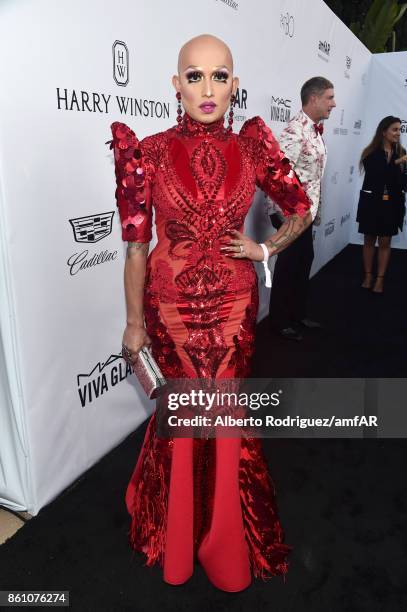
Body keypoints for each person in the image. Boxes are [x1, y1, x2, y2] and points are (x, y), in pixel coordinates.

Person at [108, 34, 312, 592]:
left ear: (234, 84)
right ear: (175, 85)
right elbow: (134, 249)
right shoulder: (143, 151)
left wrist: (265, 249)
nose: (207, 88)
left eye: (219, 76)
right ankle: (174, 536)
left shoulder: (252, 147)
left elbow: (301, 206)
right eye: (193, 76)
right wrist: (133, 324)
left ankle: (222, 541)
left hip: (233, 307)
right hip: (170, 308)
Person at [267, 77, 336, 341]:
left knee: (303, 262)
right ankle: (280, 322)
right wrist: (281, 215)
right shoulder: (295, 130)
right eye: (329, 97)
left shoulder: (314, 130)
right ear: (314, 98)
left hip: (306, 214)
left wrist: (314, 212)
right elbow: (278, 175)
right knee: (287, 266)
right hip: (291, 215)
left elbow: (313, 176)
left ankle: (296, 314)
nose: (333, 103)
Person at [357, 116, 407, 294]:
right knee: (369, 239)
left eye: (399, 130)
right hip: (371, 204)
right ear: (383, 132)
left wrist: (402, 168)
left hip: (392, 205)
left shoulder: (402, 153)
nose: (398, 133)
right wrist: (398, 163)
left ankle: (380, 279)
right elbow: (379, 176)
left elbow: (403, 184)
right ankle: (368, 275)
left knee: (385, 241)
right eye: (394, 129)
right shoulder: (370, 153)